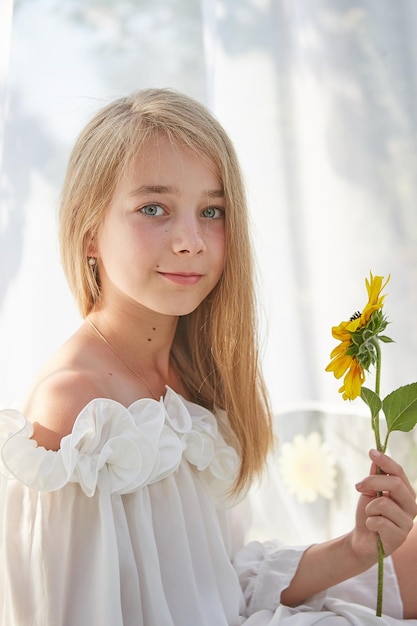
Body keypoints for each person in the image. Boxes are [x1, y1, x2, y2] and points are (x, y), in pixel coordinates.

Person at [0, 88, 416, 626]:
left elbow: (221, 578)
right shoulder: (76, 411)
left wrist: (356, 548)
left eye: (212, 210)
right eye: (154, 208)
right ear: (89, 233)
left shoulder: (188, 371)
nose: (191, 240)